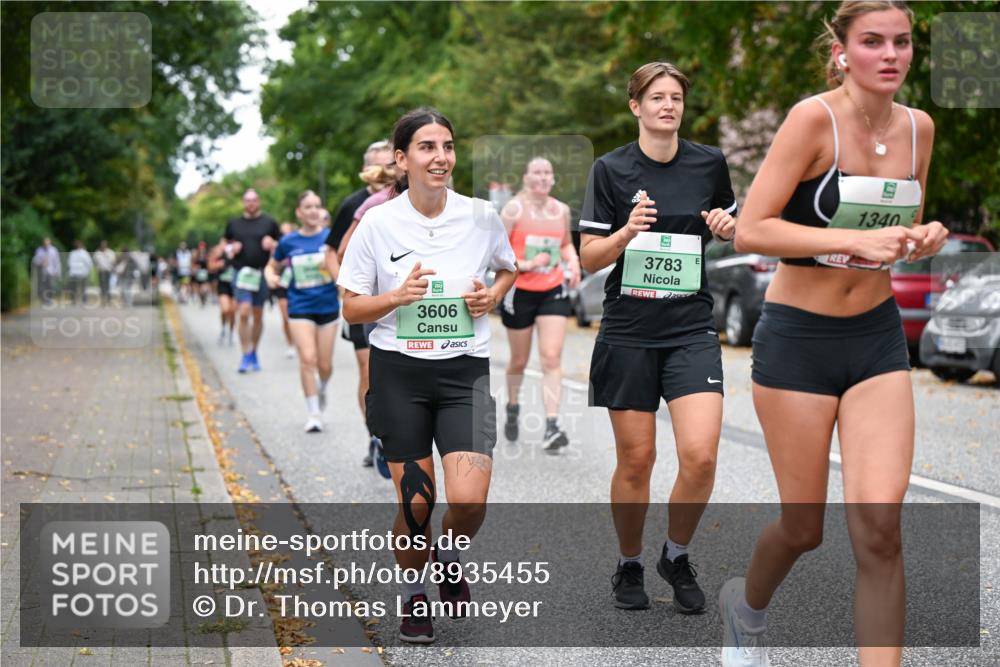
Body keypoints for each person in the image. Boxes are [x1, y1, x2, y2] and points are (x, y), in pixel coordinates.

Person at [717, 3, 949, 666]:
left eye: (902, 42)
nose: (890, 54)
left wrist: (923, 236)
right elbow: (752, 228)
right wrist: (847, 241)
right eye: (872, 41)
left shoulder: (919, 128)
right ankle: (745, 608)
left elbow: (898, 228)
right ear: (843, 51)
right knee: (803, 528)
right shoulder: (811, 119)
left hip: (876, 340)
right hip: (799, 342)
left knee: (879, 531)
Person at [339, 108, 517, 643]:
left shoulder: (482, 215)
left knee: (469, 500)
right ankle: (413, 593)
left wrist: (492, 296)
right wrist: (396, 297)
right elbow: (351, 306)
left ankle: (449, 556)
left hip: (465, 373)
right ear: (402, 159)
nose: (441, 157)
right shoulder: (378, 223)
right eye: (427, 147)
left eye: (448, 146)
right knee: (417, 503)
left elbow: (507, 268)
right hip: (400, 375)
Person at [579, 62, 738, 615]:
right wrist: (627, 231)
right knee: (637, 459)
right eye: (656, 97)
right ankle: (629, 562)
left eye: (676, 97)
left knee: (700, 456)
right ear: (636, 106)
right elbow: (589, 258)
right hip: (629, 330)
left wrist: (728, 229)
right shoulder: (610, 169)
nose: (668, 105)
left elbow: (731, 226)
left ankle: (676, 554)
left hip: (690, 327)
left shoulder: (709, 163)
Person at [500, 157, 582, 452]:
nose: (543, 177)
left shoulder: (561, 210)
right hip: (519, 290)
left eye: (548, 173)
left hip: (552, 289)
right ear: (526, 177)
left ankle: (551, 425)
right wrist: (527, 264)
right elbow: (497, 251)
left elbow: (565, 243)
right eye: (537, 172)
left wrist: (574, 261)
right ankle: (512, 406)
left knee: (550, 356)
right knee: (519, 360)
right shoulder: (513, 210)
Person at [325, 139, 397, 469]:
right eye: (378, 165)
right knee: (369, 369)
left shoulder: (411, 199)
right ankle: (375, 435)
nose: (384, 172)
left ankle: (398, 433)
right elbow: (333, 252)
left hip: (400, 302)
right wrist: (347, 287)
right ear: (367, 170)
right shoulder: (355, 205)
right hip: (364, 301)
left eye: (389, 164)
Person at [266, 192, 341, 433]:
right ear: (299, 212)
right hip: (300, 307)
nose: (313, 211)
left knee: (325, 365)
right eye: (308, 207)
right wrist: (270, 276)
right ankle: (314, 413)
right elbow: (271, 266)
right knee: (308, 358)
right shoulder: (288, 242)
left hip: (328, 307)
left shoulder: (331, 237)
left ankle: (322, 388)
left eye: (317, 206)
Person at [222, 189, 281, 373]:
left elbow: (282, 247)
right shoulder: (234, 224)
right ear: (243, 202)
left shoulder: (269, 222)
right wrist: (231, 248)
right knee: (244, 312)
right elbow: (224, 246)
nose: (251, 203)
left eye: (254, 200)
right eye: (248, 200)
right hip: (241, 273)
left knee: (257, 315)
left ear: (259, 202)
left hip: (261, 272)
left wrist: (272, 244)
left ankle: (254, 350)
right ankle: (245, 353)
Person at [273, 221, 297, 359]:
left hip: (297, 284)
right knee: (286, 317)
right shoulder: (279, 247)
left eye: (288, 232)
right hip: (282, 283)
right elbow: (272, 266)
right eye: (283, 233)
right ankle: (290, 344)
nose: (285, 236)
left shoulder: (298, 244)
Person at [209, 239, 236, 346]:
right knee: (225, 309)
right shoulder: (219, 252)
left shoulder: (238, 250)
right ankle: (223, 328)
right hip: (223, 285)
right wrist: (218, 264)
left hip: (235, 286)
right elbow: (210, 266)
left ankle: (231, 333)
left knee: (232, 311)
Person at [32, 238, 61, 305]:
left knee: (50, 286)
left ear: (50, 243)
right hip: (42, 272)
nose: (46, 245)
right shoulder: (39, 250)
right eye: (45, 243)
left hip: (51, 271)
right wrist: (41, 262)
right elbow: (34, 260)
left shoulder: (54, 250)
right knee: (42, 287)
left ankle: (50, 299)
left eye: (47, 243)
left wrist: (57, 271)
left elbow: (57, 262)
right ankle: (44, 300)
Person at [67, 240, 93, 305]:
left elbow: (89, 262)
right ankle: (73, 300)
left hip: (83, 273)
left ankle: (84, 301)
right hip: (74, 273)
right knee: (73, 288)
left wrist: (88, 271)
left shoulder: (84, 253)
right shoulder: (72, 253)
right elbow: (69, 263)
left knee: (83, 288)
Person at [93, 240, 116, 305]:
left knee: (107, 285)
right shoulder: (97, 253)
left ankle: (108, 300)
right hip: (101, 271)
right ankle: (102, 300)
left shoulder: (110, 252)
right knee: (101, 285)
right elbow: (95, 261)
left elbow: (113, 261)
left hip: (107, 271)